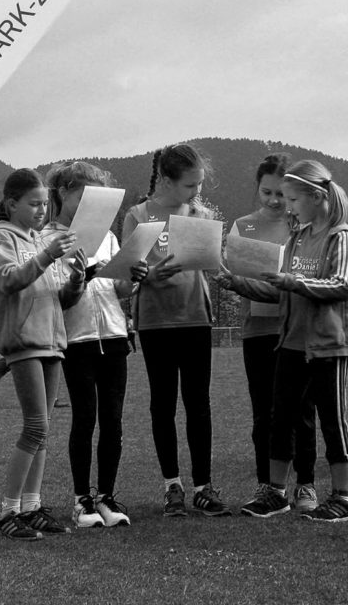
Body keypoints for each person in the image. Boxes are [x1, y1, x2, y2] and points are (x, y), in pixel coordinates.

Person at [218, 160, 348, 522]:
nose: (288, 206)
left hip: (328, 345)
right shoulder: (298, 238)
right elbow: (280, 291)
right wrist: (235, 283)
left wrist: (293, 281)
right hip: (290, 343)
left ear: (316, 197)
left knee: (331, 420)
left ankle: (343, 498)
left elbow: (341, 285)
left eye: (294, 199)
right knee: (280, 419)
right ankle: (276, 494)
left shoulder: (340, 237)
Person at [123, 144, 230, 518]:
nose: (196, 192)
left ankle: (204, 487)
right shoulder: (138, 216)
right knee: (163, 404)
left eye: (199, 184)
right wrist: (148, 275)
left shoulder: (200, 215)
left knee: (199, 404)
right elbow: (128, 273)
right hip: (156, 321)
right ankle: (172, 486)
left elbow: (213, 265)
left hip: (196, 318)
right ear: (166, 180)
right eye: (189, 185)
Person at [0, 168, 86, 540]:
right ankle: (8, 510)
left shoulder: (37, 239)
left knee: (43, 430)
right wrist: (45, 256)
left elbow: (57, 297)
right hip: (24, 341)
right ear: (12, 204)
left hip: (51, 340)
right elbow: (9, 279)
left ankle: (31, 506)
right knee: (35, 426)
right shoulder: (0, 236)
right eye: (34, 204)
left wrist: (76, 280)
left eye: (45, 204)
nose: (42, 210)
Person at [46, 162, 147, 528]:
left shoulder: (107, 236)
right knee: (85, 418)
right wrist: (82, 278)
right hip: (77, 340)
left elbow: (119, 290)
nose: (91, 205)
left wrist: (133, 277)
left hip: (115, 336)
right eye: (84, 196)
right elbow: (58, 298)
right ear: (63, 193)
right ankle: (81, 501)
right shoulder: (48, 238)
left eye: (97, 198)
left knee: (113, 421)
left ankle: (106, 496)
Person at [225, 153, 317, 513]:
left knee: (302, 412)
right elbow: (234, 273)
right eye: (267, 193)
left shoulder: (306, 228)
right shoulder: (242, 227)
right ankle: (268, 485)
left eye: (282, 194)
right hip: (258, 331)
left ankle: (305, 484)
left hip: (298, 330)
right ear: (257, 189)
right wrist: (230, 277)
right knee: (264, 412)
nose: (275, 201)